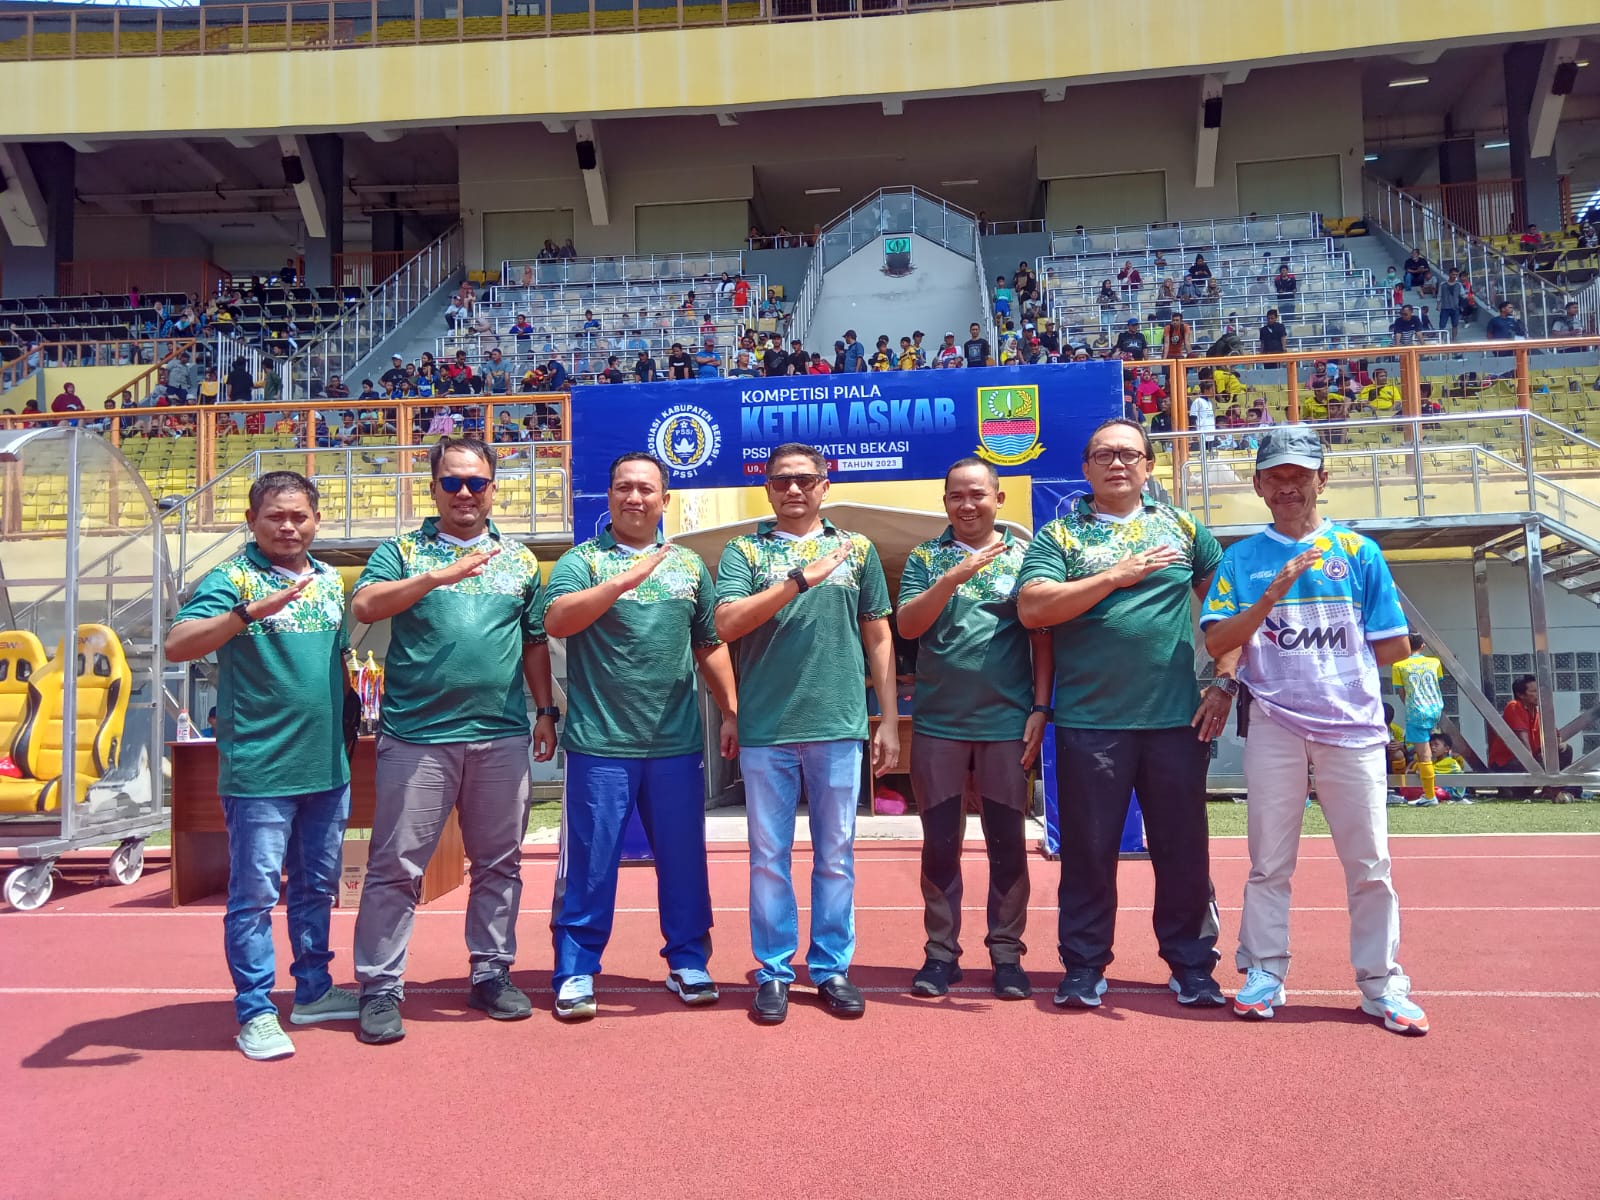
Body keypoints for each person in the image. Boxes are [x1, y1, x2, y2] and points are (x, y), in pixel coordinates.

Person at [1199, 425, 1428, 1036]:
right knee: (1268, 862)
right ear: (1258, 486)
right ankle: (1264, 971)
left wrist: (1343, 653)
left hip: (1352, 727)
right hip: (1274, 725)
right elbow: (1219, 642)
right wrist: (1271, 598)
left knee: (1370, 863)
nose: (1288, 487)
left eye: (1299, 475)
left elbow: (1393, 646)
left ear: (1321, 480)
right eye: (1275, 477)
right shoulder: (1242, 559)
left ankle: (1382, 983)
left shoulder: (1359, 552)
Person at [1017, 418, 1236, 1009]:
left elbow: (1228, 609)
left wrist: (1225, 681)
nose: (1118, 464)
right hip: (1090, 722)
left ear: (1148, 466)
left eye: (1129, 455)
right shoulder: (1061, 535)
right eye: (1105, 455)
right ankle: (1084, 965)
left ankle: (1192, 965)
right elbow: (1034, 607)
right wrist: (1115, 577)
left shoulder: (1183, 527)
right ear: (1085, 468)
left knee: (1183, 850)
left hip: (1176, 722)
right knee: (1088, 851)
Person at [349, 437, 559, 1044]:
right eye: (452, 482)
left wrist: (546, 710)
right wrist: (436, 576)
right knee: (395, 867)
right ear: (433, 488)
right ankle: (380, 986)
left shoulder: (519, 560)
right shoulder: (401, 551)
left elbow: (534, 642)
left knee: (500, 864)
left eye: (476, 482)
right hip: (418, 737)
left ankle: (491, 972)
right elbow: (365, 605)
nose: (464, 493)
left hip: (500, 736)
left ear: (493, 488)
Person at [165, 471, 357, 1060]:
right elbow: (178, 643)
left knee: (316, 887)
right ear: (251, 521)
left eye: (299, 516)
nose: (288, 526)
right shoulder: (231, 579)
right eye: (275, 516)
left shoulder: (330, 581)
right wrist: (246, 614)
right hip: (260, 773)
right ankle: (255, 1011)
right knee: (254, 896)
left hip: (327, 770)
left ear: (317, 520)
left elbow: (337, 663)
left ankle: (313, 989)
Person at [542, 454, 739, 1019]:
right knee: (591, 863)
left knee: (684, 861)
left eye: (646, 489)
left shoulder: (689, 564)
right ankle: (576, 970)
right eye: (624, 487)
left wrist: (731, 711)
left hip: (675, 743)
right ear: (609, 496)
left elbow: (709, 644)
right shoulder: (583, 561)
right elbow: (557, 621)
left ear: (664, 499)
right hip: (600, 744)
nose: (635, 497)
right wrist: (622, 580)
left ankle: (688, 961)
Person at [714, 444, 898, 1024]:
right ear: (767, 488)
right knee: (768, 857)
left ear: (824, 484)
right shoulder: (745, 550)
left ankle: (831, 968)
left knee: (836, 855)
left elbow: (878, 635)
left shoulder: (857, 549)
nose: (793, 489)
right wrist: (799, 580)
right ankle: (773, 970)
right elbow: (726, 623)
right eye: (781, 480)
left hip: (838, 724)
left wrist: (889, 719)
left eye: (804, 479)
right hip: (766, 729)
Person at [897, 459, 1053, 1001]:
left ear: (998, 498)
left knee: (1007, 845)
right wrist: (951, 579)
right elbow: (908, 626)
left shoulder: (1026, 557)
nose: (967, 505)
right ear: (944, 502)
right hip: (938, 725)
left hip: (1006, 726)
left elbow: (1041, 638)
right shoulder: (925, 557)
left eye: (978, 495)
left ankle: (1007, 955)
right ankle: (941, 954)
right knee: (940, 846)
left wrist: (1040, 706)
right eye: (956, 496)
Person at [1486, 674, 1576, 799]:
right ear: (1520, 694)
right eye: (1534, 691)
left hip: (1528, 761)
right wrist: (1536, 764)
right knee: (1541, 761)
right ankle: (1511, 789)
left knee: (1565, 749)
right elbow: (1523, 742)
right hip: (1507, 763)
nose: (1539, 694)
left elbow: (1555, 738)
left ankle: (1550, 790)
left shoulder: (1538, 712)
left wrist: (1555, 746)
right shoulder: (1514, 706)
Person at [1391, 635, 1444, 804]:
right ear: (1423, 645)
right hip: (1435, 709)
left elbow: (1402, 693)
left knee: (1423, 755)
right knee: (1424, 750)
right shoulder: (1434, 662)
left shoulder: (1398, 666)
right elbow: (1437, 683)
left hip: (1416, 712)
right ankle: (1429, 793)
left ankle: (1430, 795)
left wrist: (1411, 708)